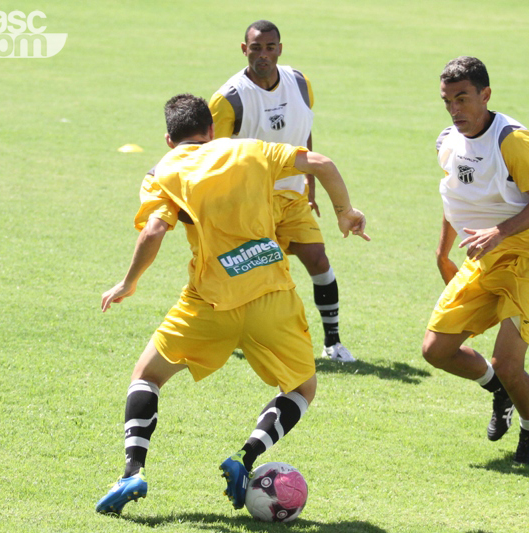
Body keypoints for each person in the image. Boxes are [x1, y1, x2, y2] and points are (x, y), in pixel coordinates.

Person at [95, 94, 369, 515]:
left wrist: (128, 283)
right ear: (212, 130)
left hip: (210, 302)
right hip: (272, 296)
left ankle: (133, 471)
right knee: (301, 388)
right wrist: (345, 212)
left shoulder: (164, 171)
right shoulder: (251, 149)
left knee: (146, 377)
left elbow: (153, 231)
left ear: (170, 139)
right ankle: (245, 459)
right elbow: (322, 164)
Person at [421, 57, 529, 467]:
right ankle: (497, 389)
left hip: (528, 259)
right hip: (483, 260)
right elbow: (454, 200)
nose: (455, 109)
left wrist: (500, 231)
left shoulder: (511, 141)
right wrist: (442, 251)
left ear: (485, 95)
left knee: (507, 362)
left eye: (463, 98)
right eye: (448, 101)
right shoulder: (447, 140)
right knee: (436, 349)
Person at [208, 20, 356, 363]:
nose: (263, 54)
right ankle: (233, 333)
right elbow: (214, 158)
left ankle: (333, 342)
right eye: (256, 48)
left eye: (270, 47)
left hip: (293, 196)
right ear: (244, 50)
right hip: (249, 200)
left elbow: (304, 133)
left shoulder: (300, 83)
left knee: (318, 260)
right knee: (253, 271)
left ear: (280, 48)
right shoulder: (228, 99)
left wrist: (311, 186)